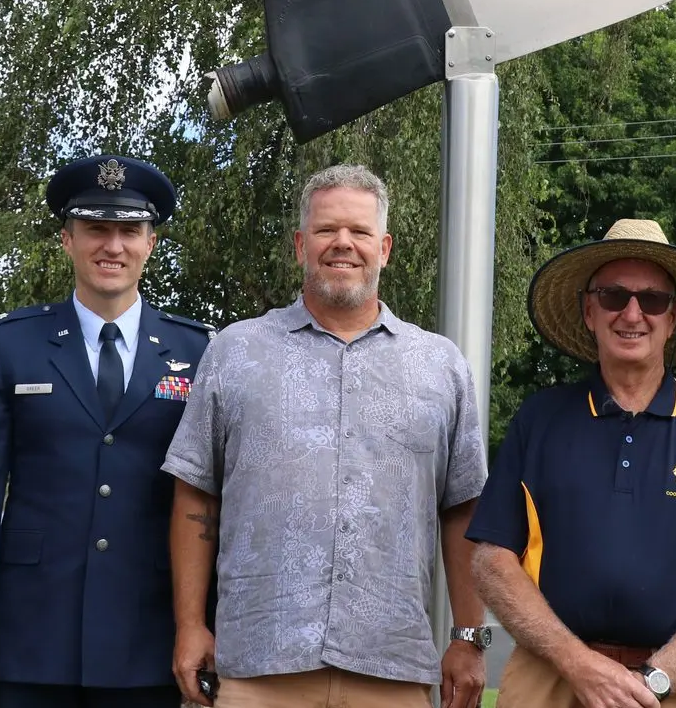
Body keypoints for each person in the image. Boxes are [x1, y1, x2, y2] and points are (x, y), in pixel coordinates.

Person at [163, 163, 490, 708]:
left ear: (384, 248)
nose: (343, 243)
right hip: (258, 668)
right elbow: (197, 492)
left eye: (359, 231)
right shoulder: (235, 352)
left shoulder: (440, 365)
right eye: (326, 230)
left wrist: (469, 636)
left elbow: (464, 509)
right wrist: (190, 624)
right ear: (300, 245)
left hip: (391, 668)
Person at [0, 154, 214, 708]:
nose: (113, 246)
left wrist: (203, 622)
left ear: (151, 243)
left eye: (129, 232)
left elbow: (208, 497)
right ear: (67, 239)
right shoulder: (11, 345)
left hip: (148, 639)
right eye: (96, 230)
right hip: (29, 638)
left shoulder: (200, 351)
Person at [468, 218, 676, 708]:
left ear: (673, 317)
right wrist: (576, 661)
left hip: (672, 685)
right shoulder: (540, 419)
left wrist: (655, 679)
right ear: (589, 310)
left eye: (652, 300)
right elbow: (492, 560)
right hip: (549, 677)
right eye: (614, 296)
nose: (632, 313)